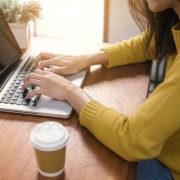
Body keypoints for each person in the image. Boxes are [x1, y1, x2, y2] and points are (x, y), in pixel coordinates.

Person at [23, 0, 180, 179]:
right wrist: (86, 59)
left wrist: (69, 90)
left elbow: (132, 139)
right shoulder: (175, 20)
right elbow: (152, 41)